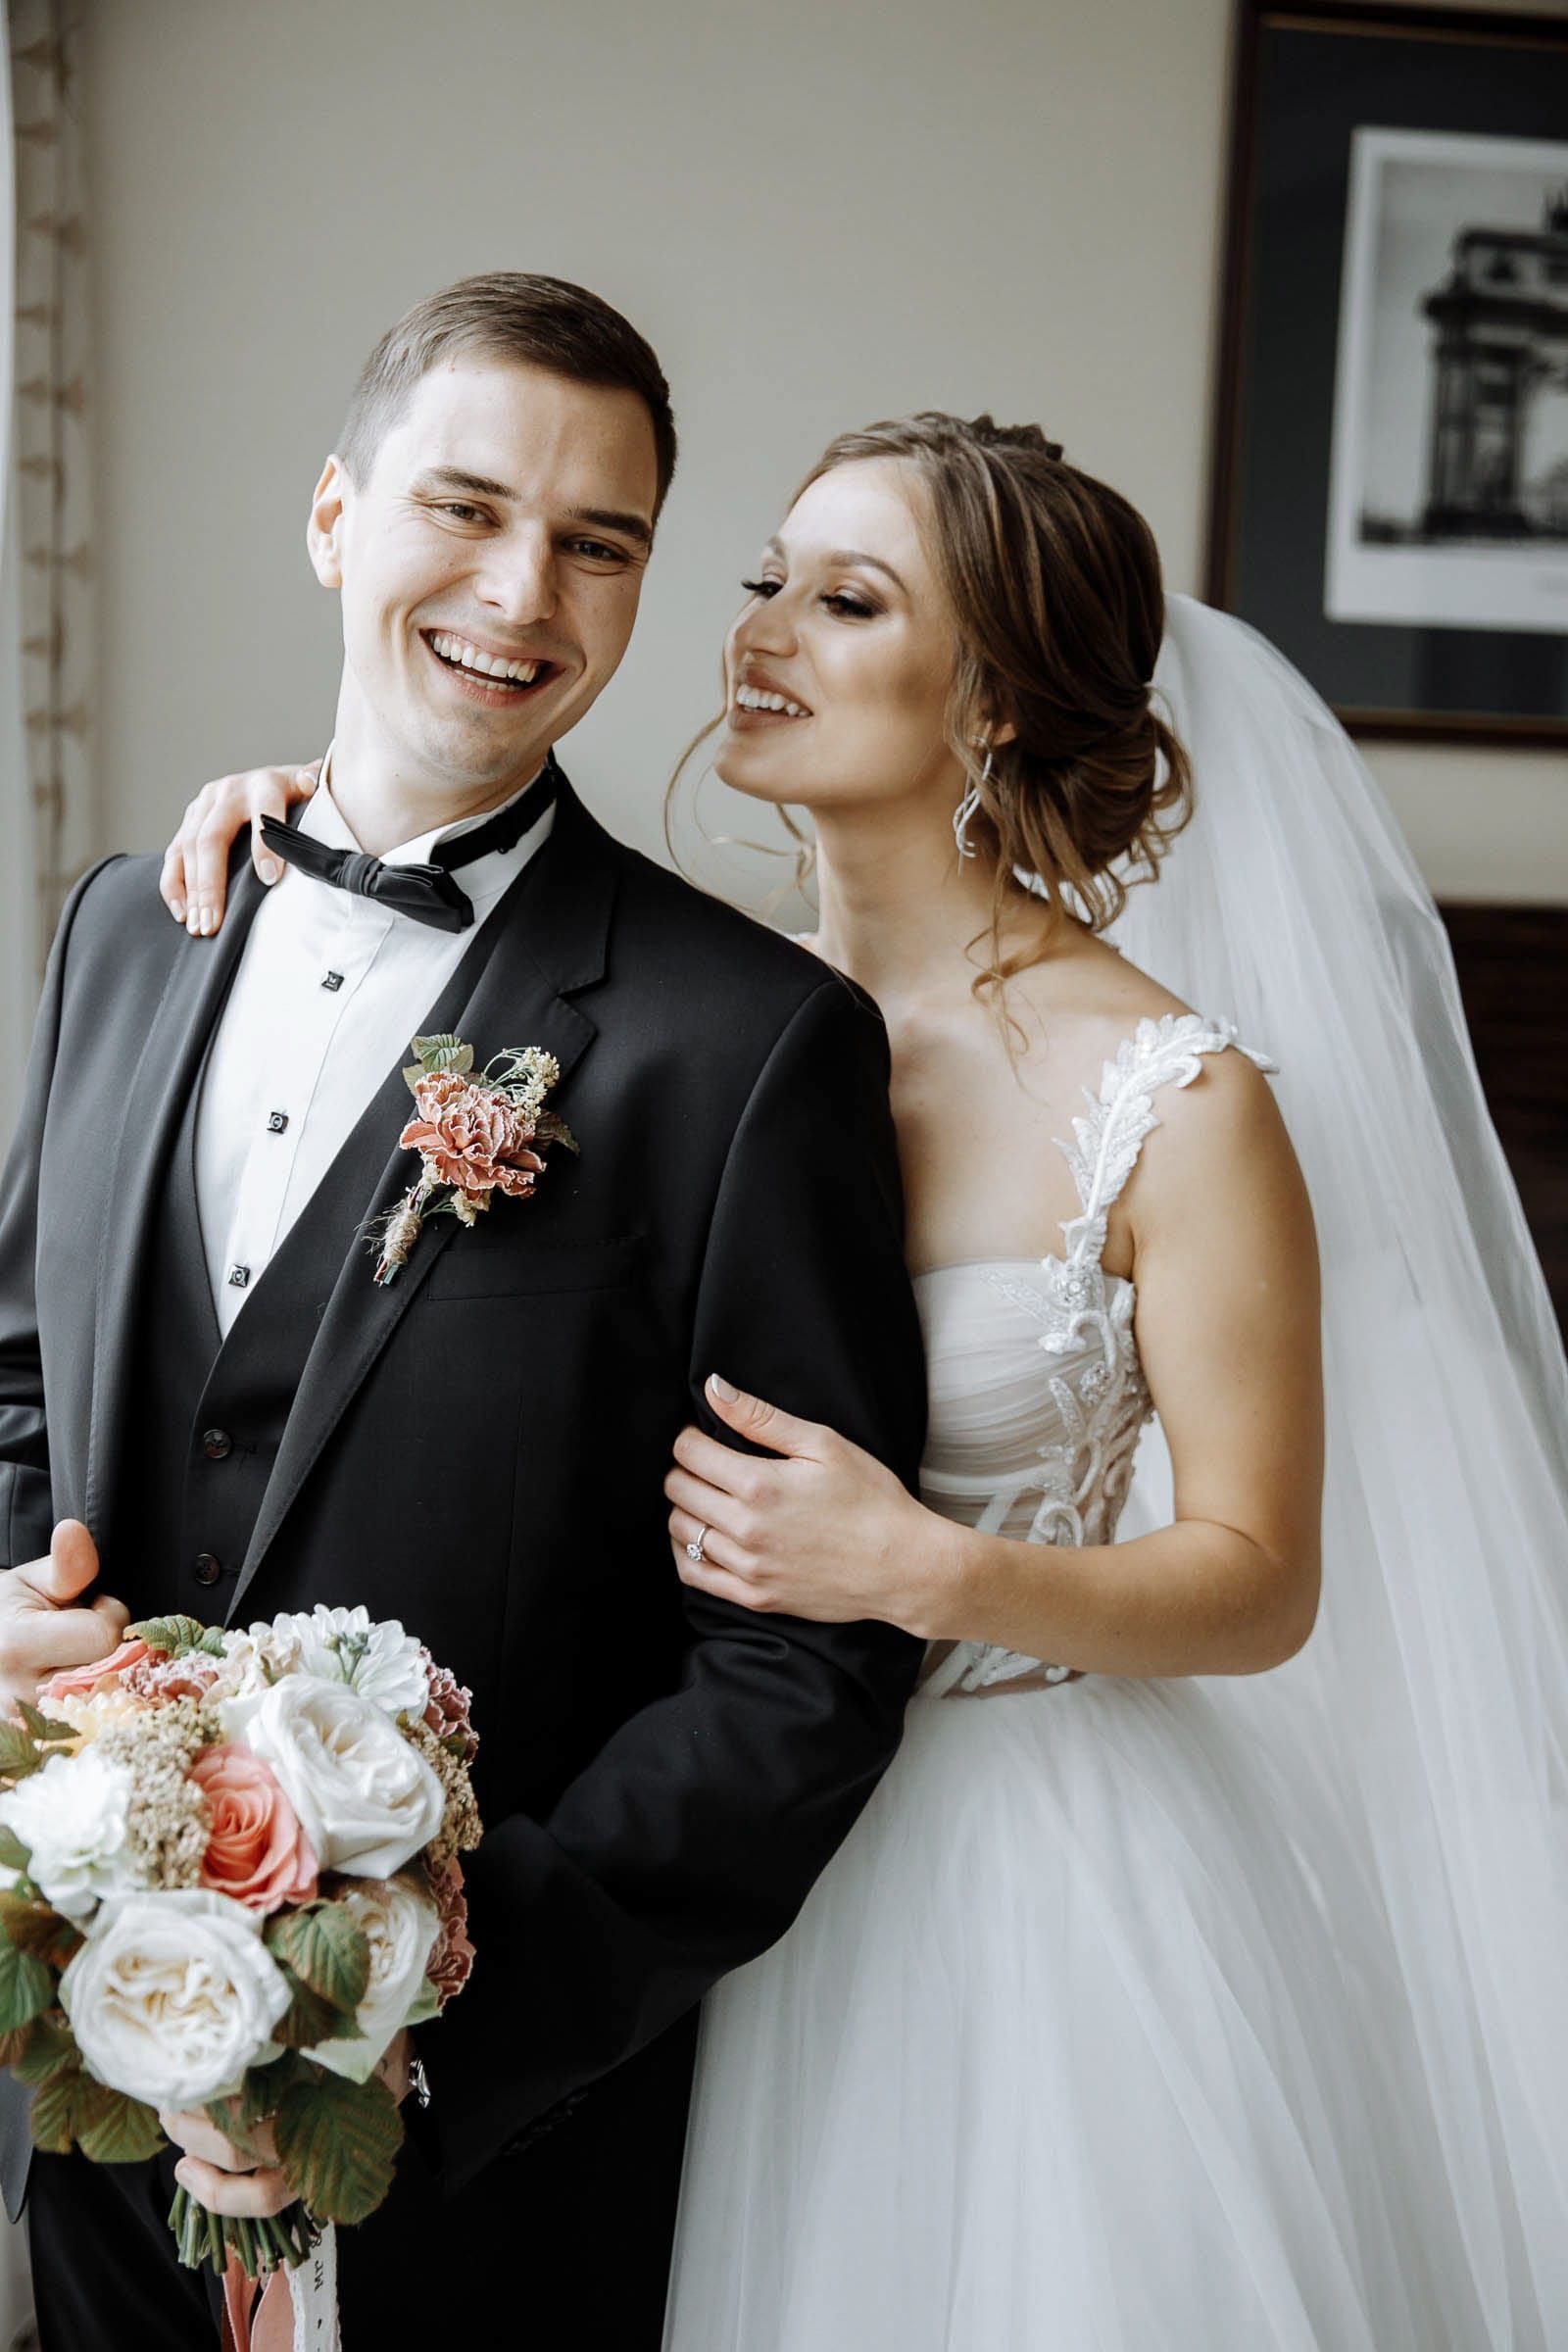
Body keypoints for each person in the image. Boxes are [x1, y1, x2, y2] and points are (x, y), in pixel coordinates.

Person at [175, 411, 1568, 2350]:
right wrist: (306, 835)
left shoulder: (1176, 1102)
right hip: (670, 1854)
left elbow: (1261, 1581)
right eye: (767, 579)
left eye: (847, 601)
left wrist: (928, 1569)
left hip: (1013, 1883)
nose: (760, 630)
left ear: (988, 699)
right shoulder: (676, 1020)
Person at [0, 274, 930, 2350]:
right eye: (466, 506)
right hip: (78, 2067)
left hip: (485, 2170)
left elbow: (804, 1664)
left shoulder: (745, 1042)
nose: (524, 592)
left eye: (598, 543)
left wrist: (424, 2016)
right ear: (335, 514)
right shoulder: (127, 928)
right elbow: (19, 1383)